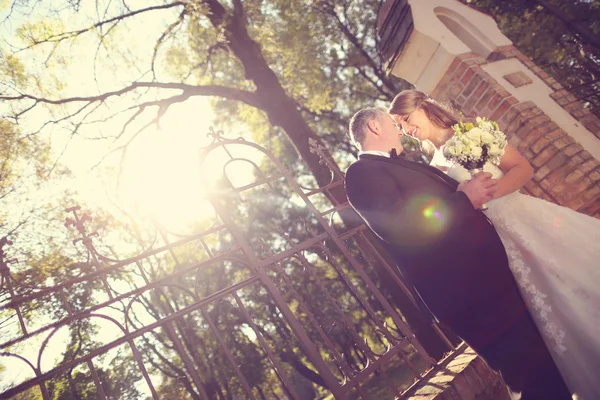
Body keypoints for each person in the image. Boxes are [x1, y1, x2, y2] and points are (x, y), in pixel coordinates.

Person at [344, 107, 573, 399]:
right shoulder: (362, 173)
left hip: (490, 281)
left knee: (545, 367)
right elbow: (403, 227)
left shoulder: (402, 165)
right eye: (392, 123)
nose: (399, 129)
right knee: (532, 374)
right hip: (470, 293)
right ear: (375, 127)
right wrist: (465, 199)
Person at [388, 89, 600, 399]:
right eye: (399, 127)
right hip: (494, 246)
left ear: (422, 107)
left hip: (526, 221)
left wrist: (487, 197)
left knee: (576, 281)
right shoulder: (430, 168)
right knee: (548, 305)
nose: (406, 130)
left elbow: (523, 168)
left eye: (406, 120)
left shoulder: (472, 132)